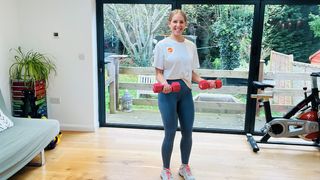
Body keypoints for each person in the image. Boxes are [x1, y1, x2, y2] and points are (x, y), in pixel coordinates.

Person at [153, 9, 216, 180]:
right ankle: (165, 169)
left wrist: (204, 81)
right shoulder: (162, 45)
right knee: (170, 132)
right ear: (169, 23)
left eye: (181, 22)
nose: (178, 25)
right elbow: (158, 72)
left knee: (187, 131)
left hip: (185, 92)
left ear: (185, 24)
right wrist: (164, 84)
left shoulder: (190, 46)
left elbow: (192, 73)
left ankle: (184, 167)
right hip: (168, 93)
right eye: (175, 22)